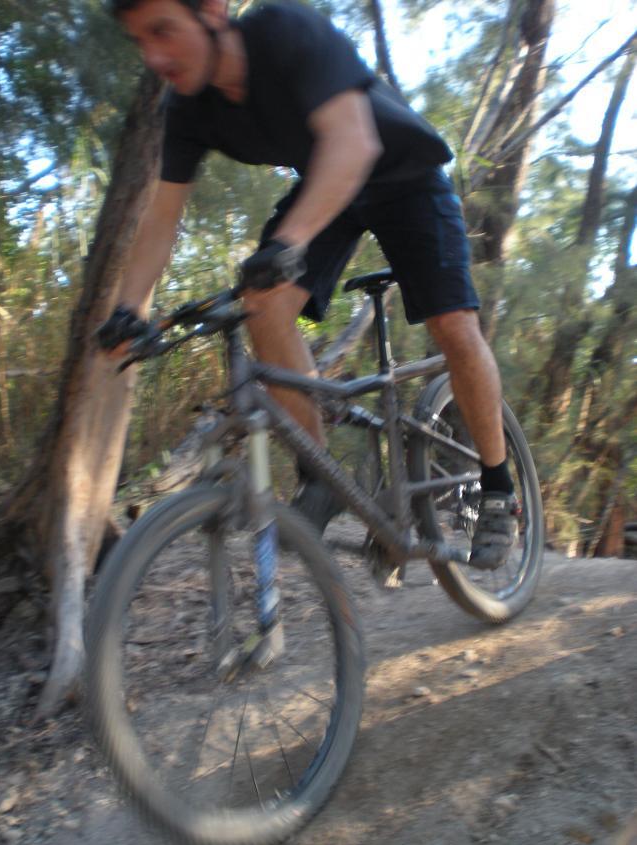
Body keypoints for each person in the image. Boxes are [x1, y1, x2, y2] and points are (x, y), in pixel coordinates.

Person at [98, 0, 519, 570]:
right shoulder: (188, 108)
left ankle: (498, 488)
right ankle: (319, 476)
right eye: (140, 41)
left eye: (164, 31)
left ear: (214, 11)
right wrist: (128, 308)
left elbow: (355, 143)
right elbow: (162, 217)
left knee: (453, 324)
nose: (154, 56)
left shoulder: (285, 31)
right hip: (330, 182)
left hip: (402, 174)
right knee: (262, 306)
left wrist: (287, 243)